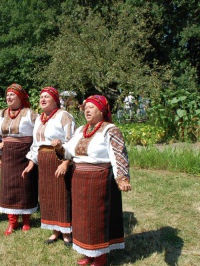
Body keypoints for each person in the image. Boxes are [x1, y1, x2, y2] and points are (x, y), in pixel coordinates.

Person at [53, 95, 131, 266]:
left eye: (91, 107)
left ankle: (100, 256)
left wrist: (122, 178)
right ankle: (88, 253)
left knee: (96, 219)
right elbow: (68, 152)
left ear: (102, 110)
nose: (87, 110)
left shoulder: (111, 130)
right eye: (85, 107)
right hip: (79, 180)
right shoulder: (81, 129)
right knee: (82, 219)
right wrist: (59, 147)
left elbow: (118, 155)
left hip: (99, 180)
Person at [0, 83, 38, 236]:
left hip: (25, 153)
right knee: (8, 187)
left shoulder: (29, 113)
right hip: (8, 154)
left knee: (26, 185)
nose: (9, 97)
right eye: (7, 95)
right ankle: (12, 221)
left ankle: (26, 219)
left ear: (20, 97)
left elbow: (40, 130)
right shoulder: (1, 114)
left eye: (12, 94)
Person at [22, 87, 75, 246]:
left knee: (62, 195)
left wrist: (66, 162)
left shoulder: (64, 116)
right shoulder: (39, 118)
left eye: (47, 97)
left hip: (59, 157)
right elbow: (36, 143)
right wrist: (32, 162)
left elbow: (72, 141)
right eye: (41, 97)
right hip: (44, 161)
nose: (42, 99)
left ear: (55, 99)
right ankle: (55, 230)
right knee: (47, 196)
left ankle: (66, 231)